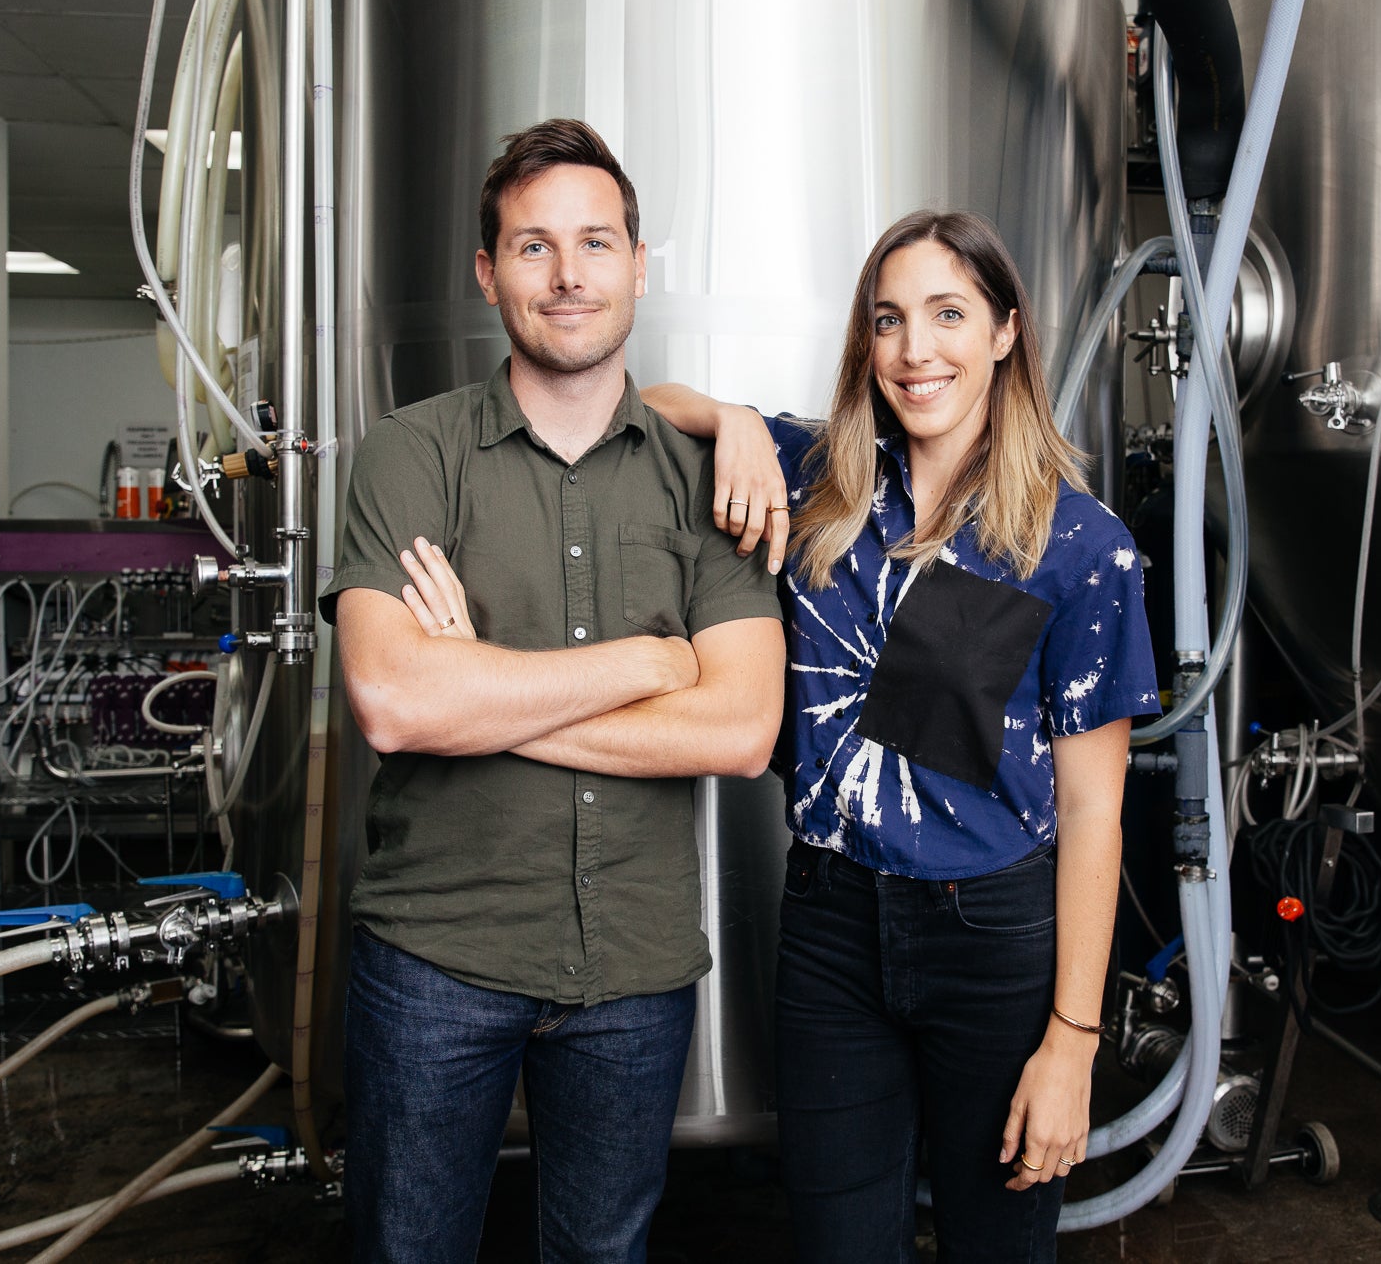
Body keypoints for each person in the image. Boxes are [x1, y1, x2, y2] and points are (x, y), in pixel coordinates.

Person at [406, 208, 1158, 1261]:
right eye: (887, 320)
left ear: (1003, 330)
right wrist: (735, 418)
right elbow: (647, 412)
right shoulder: (816, 478)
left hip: (988, 936)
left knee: (998, 1240)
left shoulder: (1078, 545)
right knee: (835, 1240)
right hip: (830, 927)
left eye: (948, 314)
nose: (914, 350)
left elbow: (1093, 809)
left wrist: (1071, 1043)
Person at [322, 117, 786, 1263]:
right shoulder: (408, 454)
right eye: (533, 247)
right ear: (487, 273)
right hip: (437, 957)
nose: (568, 274)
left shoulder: (710, 478)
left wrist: (481, 690)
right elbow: (394, 703)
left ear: (638, 263)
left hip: (632, 969)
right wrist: (649, 662)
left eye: (596, 243)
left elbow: (738, 728)